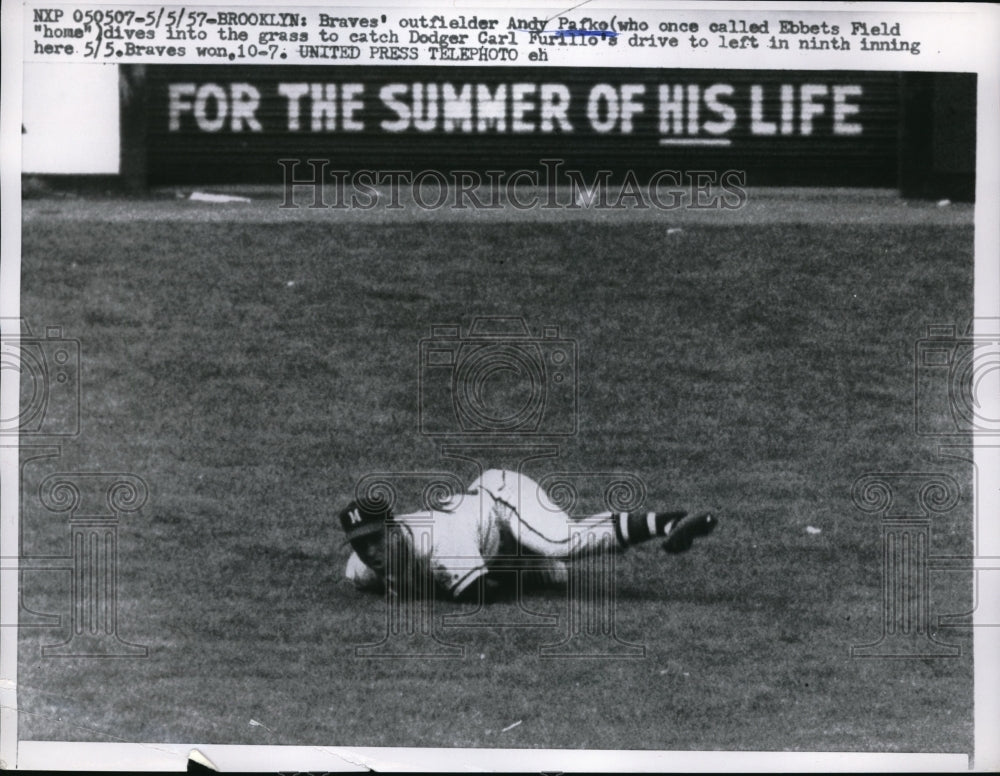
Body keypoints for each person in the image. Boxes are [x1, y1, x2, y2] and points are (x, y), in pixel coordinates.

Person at [338, 469, 717, 602]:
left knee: (560, 544)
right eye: (360, 544)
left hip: (500, 497)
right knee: (555, 575)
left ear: (394, 527)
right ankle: (530, 562)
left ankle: (669, 523)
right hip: (489, 541)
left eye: (376, 538)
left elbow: (480, 593)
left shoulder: (440, 542)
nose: (370, 551)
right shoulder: (360, 570)